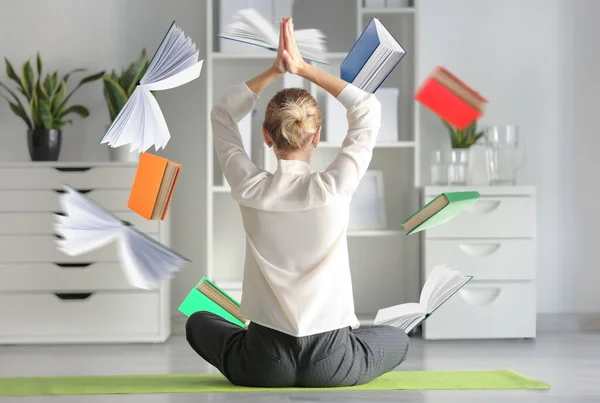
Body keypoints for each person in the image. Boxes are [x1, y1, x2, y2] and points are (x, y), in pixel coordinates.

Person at [186, 17, 409, 388]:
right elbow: (367, 109)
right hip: (332, 360)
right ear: (316, 136)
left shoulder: (250, 187)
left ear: (266, 136)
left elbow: (222, 114)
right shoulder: (335, 187)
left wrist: (275, 70)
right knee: (399, 338)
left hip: (264, 361)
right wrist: (305, 69)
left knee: (197, 320)